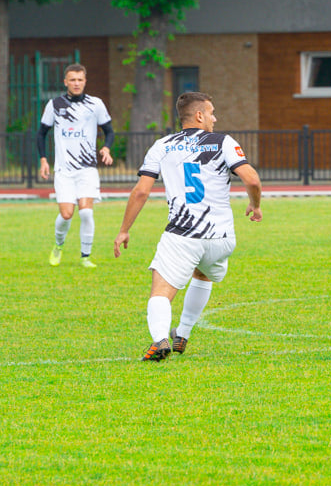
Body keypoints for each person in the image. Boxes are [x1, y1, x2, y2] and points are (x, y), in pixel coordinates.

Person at [113, 92, 262, 362]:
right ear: (199, 116)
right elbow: (251, 179)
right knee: (202, 275)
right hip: (221, 237)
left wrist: (124, 229)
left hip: (182, 234)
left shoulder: (162, 145)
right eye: (212, 112)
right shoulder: (223, 142)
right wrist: (255, 204)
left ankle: (159, 340)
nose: (215, 118)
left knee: (161, 291)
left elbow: (141, 192)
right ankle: (182, 333)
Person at [37, 63, 115, 268]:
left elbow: (109, 131)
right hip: (64, 171)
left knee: (86, 212)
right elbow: (41, 133)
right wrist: (43, 159)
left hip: (87, 169)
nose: (77, 83)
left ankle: (85, 257)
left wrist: (106, 148)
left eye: (80, 79)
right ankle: (58, 245)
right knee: (66, 214)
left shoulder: (95, 104)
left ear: (85, 81)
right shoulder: (54, 105)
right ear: (66, 82)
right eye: (72, 80)